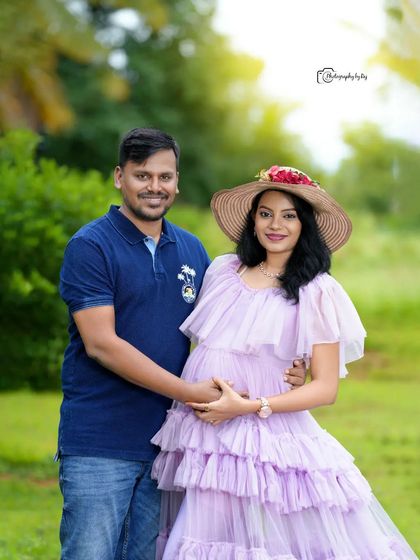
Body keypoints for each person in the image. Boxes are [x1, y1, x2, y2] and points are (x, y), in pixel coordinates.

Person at [57, 130, 306, 560]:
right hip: (100, 440)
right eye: (142, 175)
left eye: (165, 176)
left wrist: (291, 367)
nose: (155, 186)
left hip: (169, 446)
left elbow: (228, 331)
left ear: (177, 181)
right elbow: (102, 345)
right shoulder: (92, 245)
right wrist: (191, 393)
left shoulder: (192, 250)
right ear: (120, 177)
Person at [151, 165, 418, 559]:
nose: (275, 225)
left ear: (304, 225)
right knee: (203, 533)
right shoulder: (224, 271)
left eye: (289, 215)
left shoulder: (316, 291)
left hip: (263, 433)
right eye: (266, 214)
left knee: (268, 537)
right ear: (253, 221)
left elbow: (326, 388)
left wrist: (249, 406)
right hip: (202, 429)